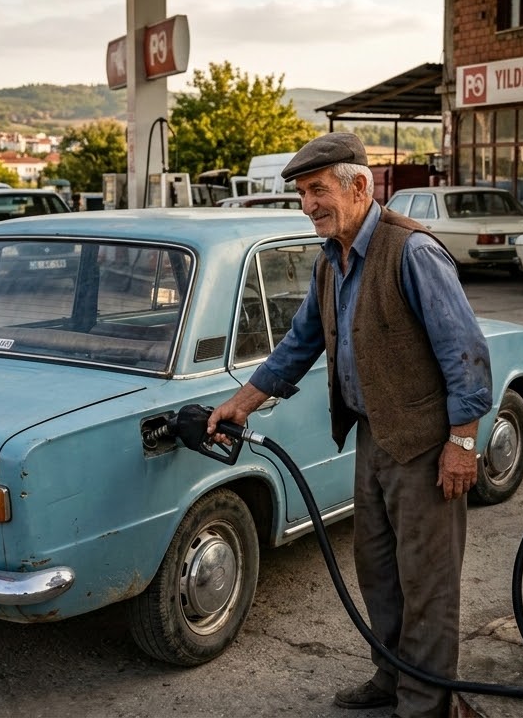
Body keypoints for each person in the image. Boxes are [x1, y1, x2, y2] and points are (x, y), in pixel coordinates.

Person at [207, 132, 493, 718]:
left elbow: (465, 352)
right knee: (378, 569)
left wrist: (462, 443)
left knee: (427, 581)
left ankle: (426, 705)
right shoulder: (331, 260)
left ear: (359, 185)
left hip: (424, 443)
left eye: (317, 190)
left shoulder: (412, 251)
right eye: (301, 195)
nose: (308, 205)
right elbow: (301, 342)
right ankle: (392, 677)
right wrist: (244, 402)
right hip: (372, 436)